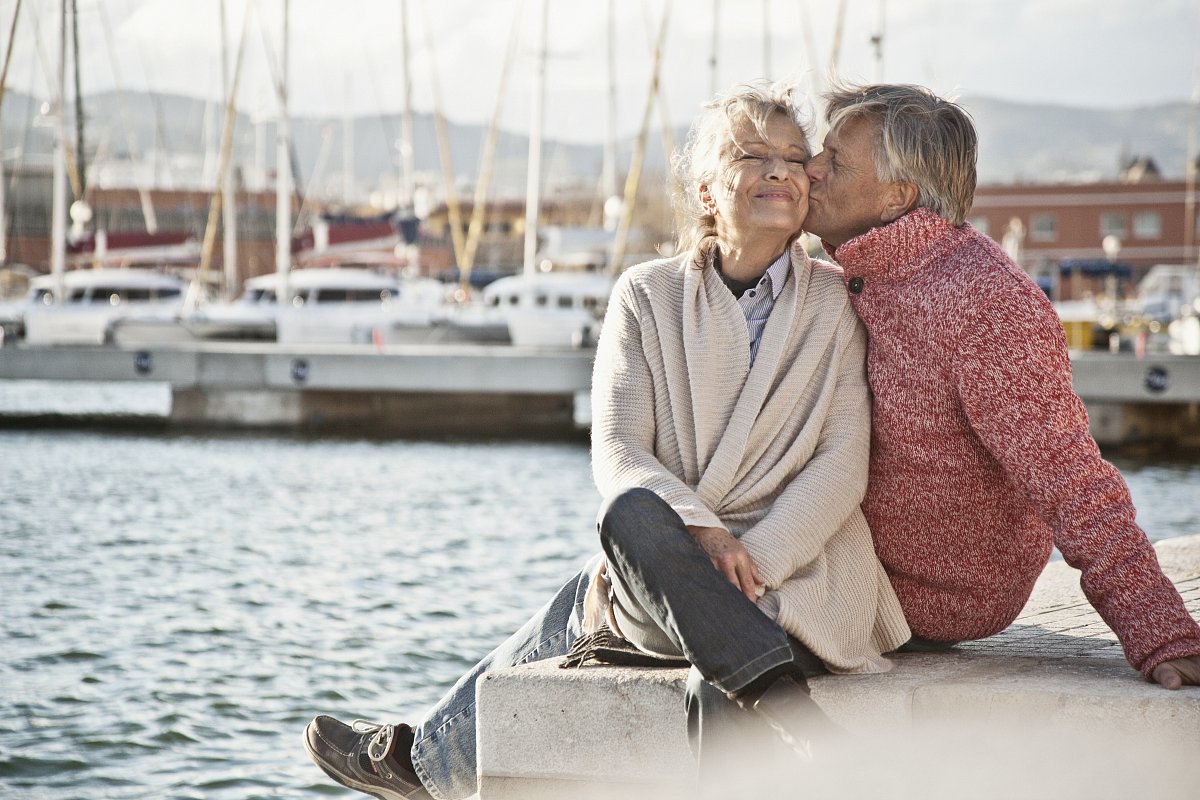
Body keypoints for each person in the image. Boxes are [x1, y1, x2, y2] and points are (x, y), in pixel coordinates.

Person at [303, 81, 911, 800]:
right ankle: (781, 705)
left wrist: (754, 568)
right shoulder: (645, 296)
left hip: (800, 573)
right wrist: (700, 532)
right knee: (628, 515)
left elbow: (842, 463)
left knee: (586, 603)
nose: (780, 170)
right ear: (708, 191)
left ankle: (419, 760)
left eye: (792, 156)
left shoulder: (837, 302)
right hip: (680, 556)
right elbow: (619, 451)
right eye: (752, 155)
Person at [801, 82, 1200, 686]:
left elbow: (1068, 476)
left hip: (928, 592)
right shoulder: (865, 272)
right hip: (856, 563)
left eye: (835, 161)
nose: (812, 170)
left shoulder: (984, 301)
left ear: (896, 198)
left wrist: (1159, 629)